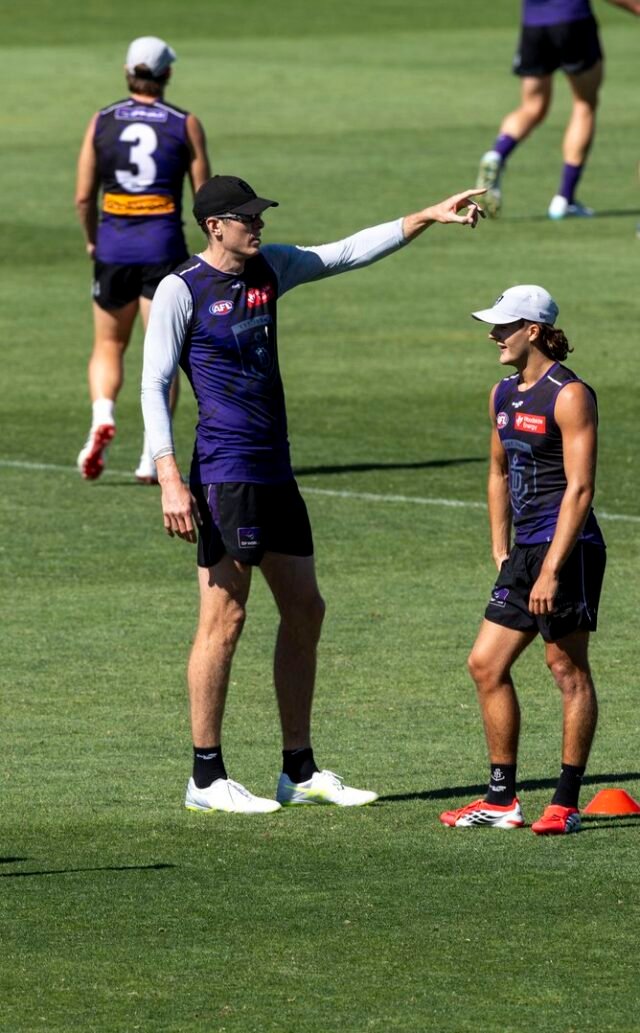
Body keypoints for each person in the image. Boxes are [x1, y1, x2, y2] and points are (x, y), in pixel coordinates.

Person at [141, 174, 485, 814]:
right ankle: (206, 777)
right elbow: (154, 382)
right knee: (225, 618)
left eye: (259, 216)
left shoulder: (270, 267)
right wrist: (168, 477)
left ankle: (297, 770)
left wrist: (427, 216)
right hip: (224, 472)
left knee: (306, 609)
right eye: (247, 218)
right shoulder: (180, 289)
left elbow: (346, 252)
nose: (259, 225)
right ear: (215, 226)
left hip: (276, 468)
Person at [439, 285, 606, 835]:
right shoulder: (502, 394)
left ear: (533, 331)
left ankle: (564, 803)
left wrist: (552, 568)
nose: (493, 335)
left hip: (568, 549)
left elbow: (580, 489)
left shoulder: (569, 395)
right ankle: (501, 800)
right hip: (523, 553)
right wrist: (499, 547)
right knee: (486, 665)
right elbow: (497, 471)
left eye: (504, 326)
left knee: (566, 669)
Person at [75, 36, 211, 483]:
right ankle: (153, 454)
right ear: (167, 74)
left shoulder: (102, 120)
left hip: (113, 248)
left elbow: (83, 197)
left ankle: (102, 416)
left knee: (108, 344)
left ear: (127, 72)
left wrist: (93, 241)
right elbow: (205, 198)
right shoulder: (184, 123)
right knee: (162, 354)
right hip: (164, 251)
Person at [476, 0, 640, 220]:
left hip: (533, 23)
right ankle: (565, 199)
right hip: (573, 18)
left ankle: (497, 154)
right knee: (584, 104)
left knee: (531, 106)